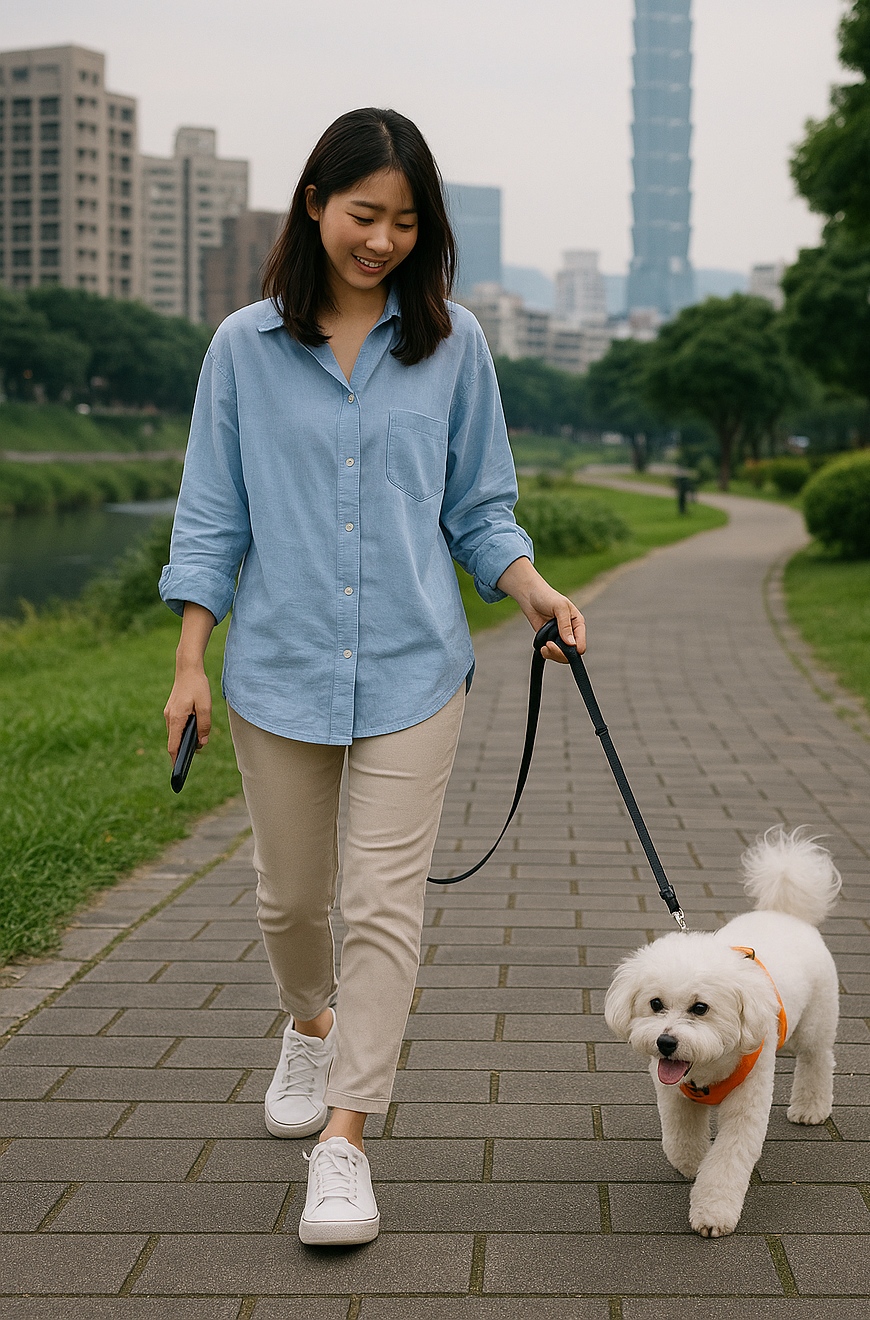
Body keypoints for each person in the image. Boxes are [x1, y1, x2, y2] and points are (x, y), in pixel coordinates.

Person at [160, 107, 585, 1247]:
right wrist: (190, 660)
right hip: (279, 668)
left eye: (405, 221)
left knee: (383, 906)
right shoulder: (243, 348)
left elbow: (478, 508)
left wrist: (532, 590)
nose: (382, 240)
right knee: (291, 900)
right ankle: (309, 1022)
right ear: (314, 206)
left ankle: (344, 1140)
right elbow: (211, 517)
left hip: (413, 666)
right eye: (364, 215)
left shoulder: (454, 346)